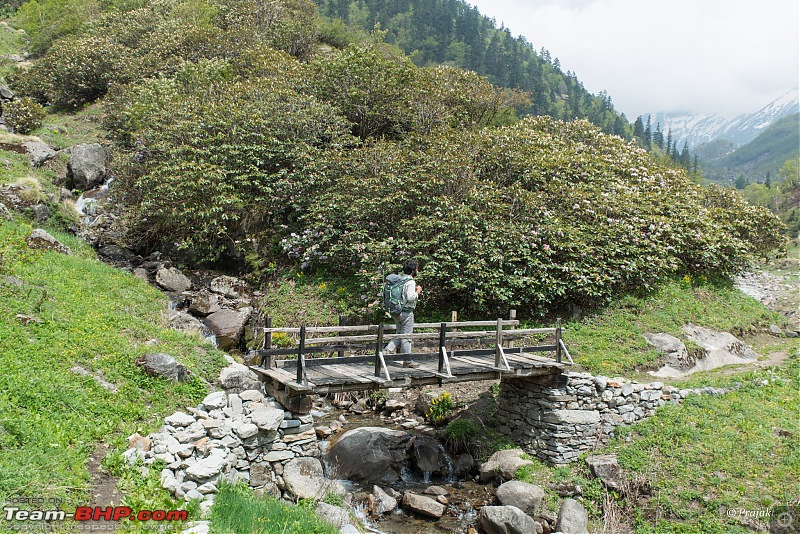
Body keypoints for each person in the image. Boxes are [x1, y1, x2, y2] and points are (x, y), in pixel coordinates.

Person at [384, 260, 422, 354]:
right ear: (413, 270)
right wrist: (417, 292)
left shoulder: (400, 279)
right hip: (406, 312)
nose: (417, 270)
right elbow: (410, 297)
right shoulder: (410, 281)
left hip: (396, 311)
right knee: (407, 336)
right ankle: (407, 360)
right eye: (416, 268)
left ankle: (386, 351)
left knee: (400, 334)